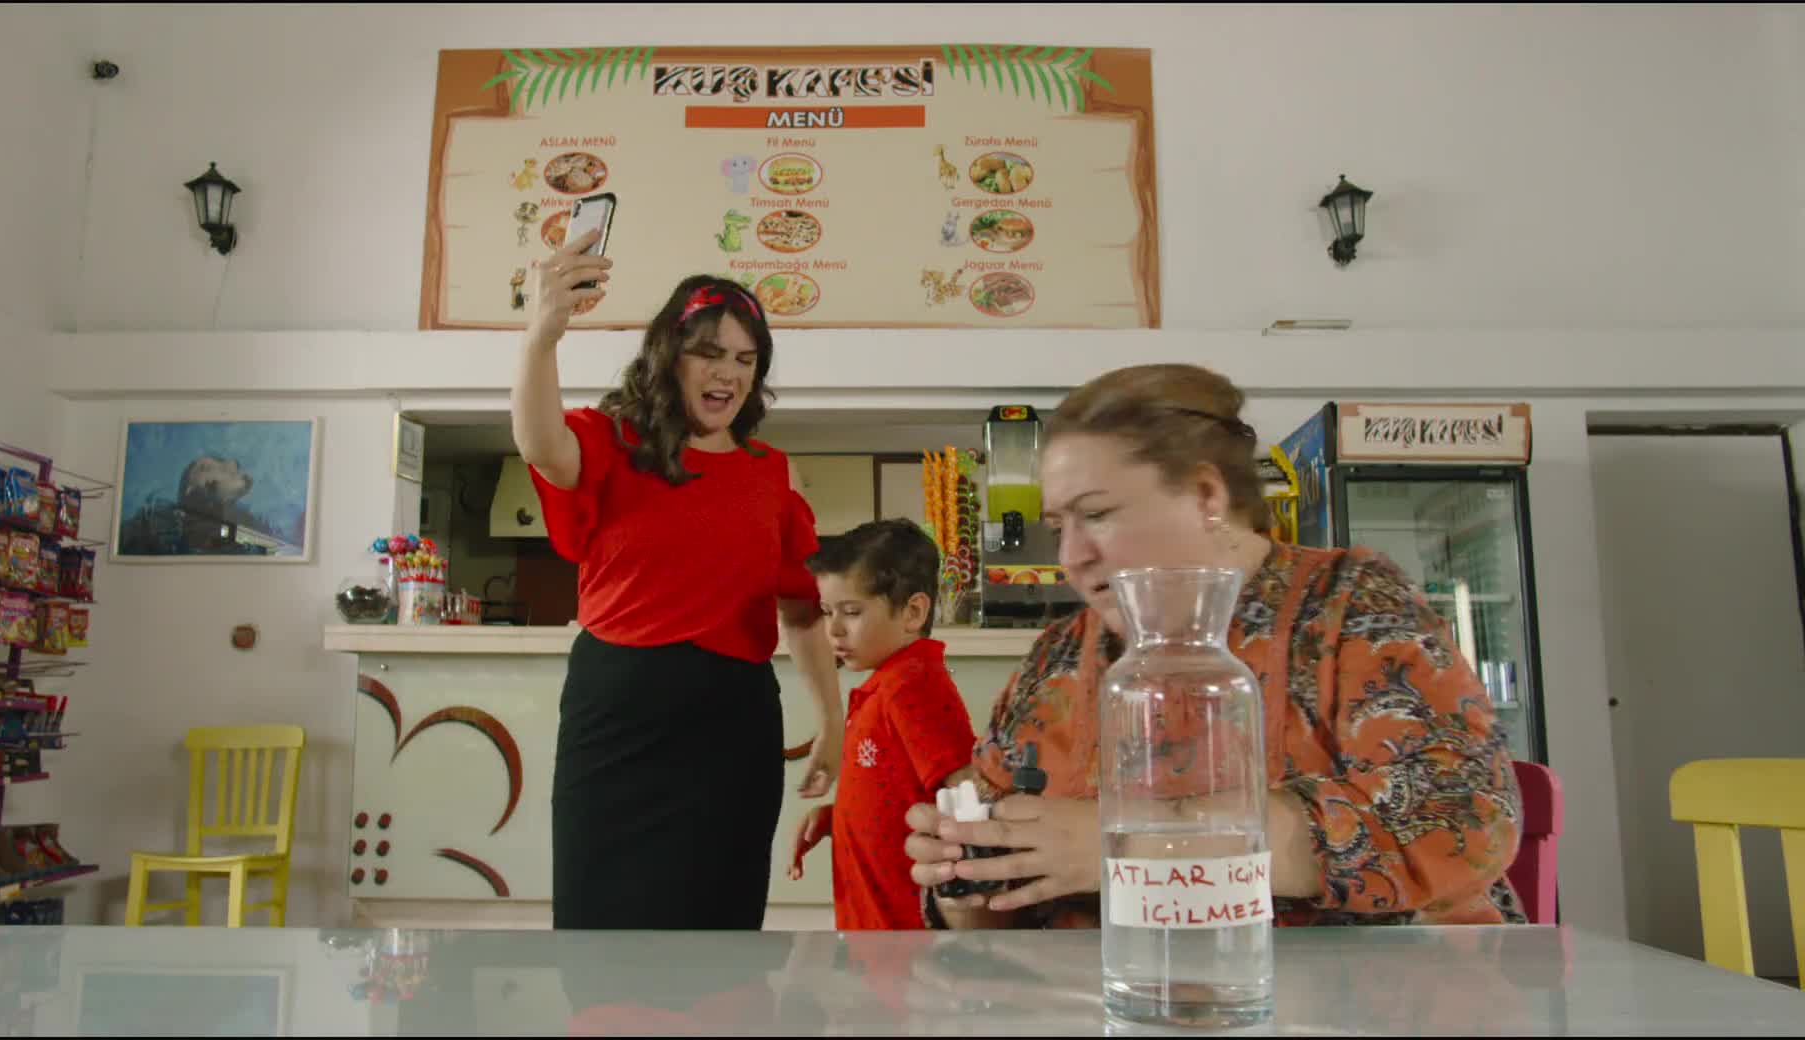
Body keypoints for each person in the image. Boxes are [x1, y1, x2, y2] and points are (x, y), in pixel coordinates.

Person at [904, 363, 1525, 929]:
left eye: (1098, 514)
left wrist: (1132, 845)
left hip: (1370, 998)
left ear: (1206, 496)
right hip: (1106, 998)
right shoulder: (1057, 657)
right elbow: (995, 899)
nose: (1072, 556)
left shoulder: (1348, 607)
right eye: (1058, 526)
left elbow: (1463, 817)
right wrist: (966, 875)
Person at [511, 230, 843, 930]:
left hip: (733, 727)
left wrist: (832, 720)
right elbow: (539, 443)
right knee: (599, 923)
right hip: (617, 720)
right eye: (709, 353)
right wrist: (542, 336)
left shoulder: (771, 473)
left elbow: (802, 610)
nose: (728, 374)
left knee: (722, 927)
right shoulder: (611, 441)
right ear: (669, 356)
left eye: (746, 360)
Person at [787, 519, 977, 929]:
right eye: (827, 612)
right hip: (875, 929)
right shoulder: (889, 684)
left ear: (913, 612)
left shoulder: (912, 687)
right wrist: (841, 817)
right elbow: (902, 795)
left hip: (903, 935)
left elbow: (964, 796)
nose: (834, 630)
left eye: (852, 612)